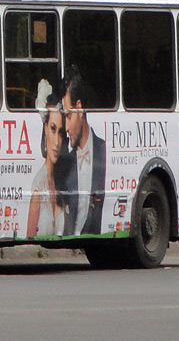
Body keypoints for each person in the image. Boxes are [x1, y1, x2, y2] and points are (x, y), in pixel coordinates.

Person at [53, 65, 107, 236]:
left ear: (80, 108)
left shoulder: (104, 151)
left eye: (68, 116)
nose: (66, 127)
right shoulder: (64, 163)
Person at [26, 90, 65, 238]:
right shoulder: (38, 186)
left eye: (61, 133)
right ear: (45, 129)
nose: (56, 142)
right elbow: (29, 237)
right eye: (53, 129)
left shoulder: (63, 180)